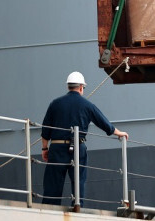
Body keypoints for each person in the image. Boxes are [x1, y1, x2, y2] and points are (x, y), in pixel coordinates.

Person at [41, 71, 128, 207]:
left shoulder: (55, 104)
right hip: (77, 148)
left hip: (57, 148)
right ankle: (77, 207)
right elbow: (103, 122)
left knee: (53, 183)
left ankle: (49, 209)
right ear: (81, 87)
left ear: (68, 86)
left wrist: (44, 148)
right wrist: (118, 133)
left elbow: (45, 129)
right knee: (78, 181)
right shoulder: (87, 105)